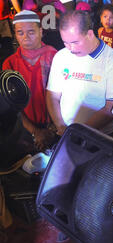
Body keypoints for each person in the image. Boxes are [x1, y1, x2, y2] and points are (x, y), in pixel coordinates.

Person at [46, 10, 113, 137]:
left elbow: (110, 109)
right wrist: (61, 126)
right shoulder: (61, 56)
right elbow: (52, 95)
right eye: (65, 43)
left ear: (90, 34)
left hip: (97, 136)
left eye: (75, 42)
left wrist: (77, 131)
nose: (70, 49)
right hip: (65, 134)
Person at [2, 10, 58, 151]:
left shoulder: (54, 56)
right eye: (20, 33)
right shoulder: (10, 64)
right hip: (25, 129)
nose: (25, 37)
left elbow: (65, 97)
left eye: (31, 32)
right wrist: (35, 131)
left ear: (40, 31)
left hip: (56, 127)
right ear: (15, 34)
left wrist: (52, 129)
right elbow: (12, 107)